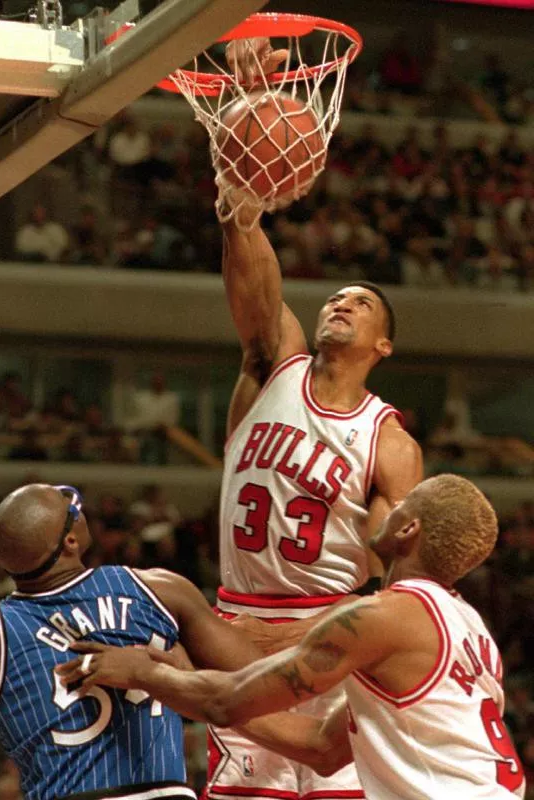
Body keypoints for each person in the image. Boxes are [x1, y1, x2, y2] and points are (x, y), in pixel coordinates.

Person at [196, 36, 423, 800]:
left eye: (361, 303)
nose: (341, 302)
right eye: (336, 296)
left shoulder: (388, 440)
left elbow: (400, 575)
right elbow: (245, 242)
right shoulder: (274, 364)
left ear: (382, 343)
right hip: (237, 632)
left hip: (327, 645)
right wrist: (241, 171)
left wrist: (336, 633)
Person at [60, 474, 526, 800]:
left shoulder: (386, 617)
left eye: (401, 503)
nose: (384, 507)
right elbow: (320, 748)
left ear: (409, 527)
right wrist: (186, 674)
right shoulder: (468, 628)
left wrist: (145, 672)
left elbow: (228, 701)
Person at [0, 484, 357, 800]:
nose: (78, 505)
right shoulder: (158, 590)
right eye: (72, 509)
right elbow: (263, 683)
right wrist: (187, 674)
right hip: (161, 791)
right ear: (70, 543)